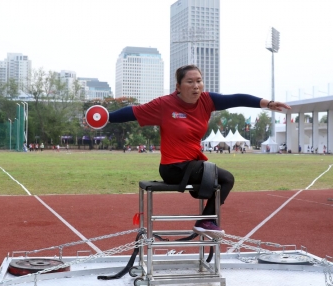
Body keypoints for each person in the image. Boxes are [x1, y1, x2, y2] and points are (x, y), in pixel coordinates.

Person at [107, 65, 290, 238]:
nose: (196, 86)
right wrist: (104, 118)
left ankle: (205, 220)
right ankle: (205, 221)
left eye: (199, 81)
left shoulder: (207, 100)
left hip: (192, 164)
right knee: (227, 178)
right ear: (178, 86)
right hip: (173, 167)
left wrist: (268, 103)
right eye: (190, 82)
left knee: (220, 177)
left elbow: (237, 99)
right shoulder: (164, 104)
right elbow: (133, 112)